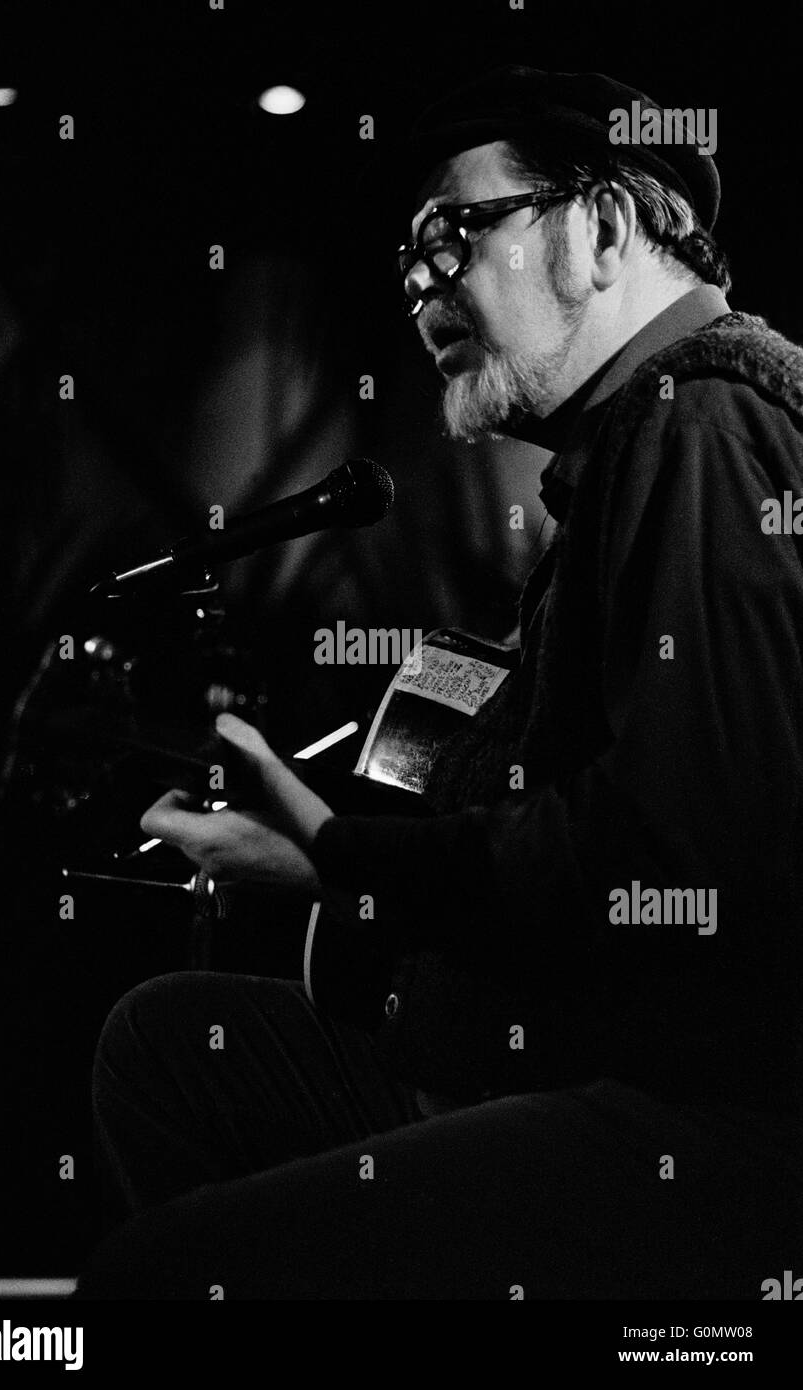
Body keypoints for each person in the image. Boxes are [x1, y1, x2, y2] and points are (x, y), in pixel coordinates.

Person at [76, 65, 803, 1299]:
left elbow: (686, 850)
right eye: (405, 256)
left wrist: (354, 860)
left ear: (606, 227)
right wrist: (332, 857)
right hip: (605, 1055)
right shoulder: (640, 447)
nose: (418, 281)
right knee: (165, 1043)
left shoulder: (699, 424)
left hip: (709, 1118)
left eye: (451, 233)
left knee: (156, 1280)